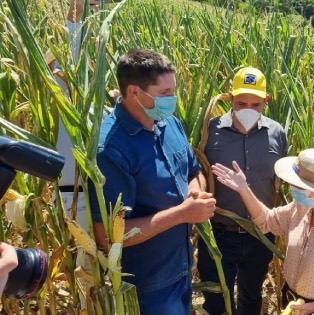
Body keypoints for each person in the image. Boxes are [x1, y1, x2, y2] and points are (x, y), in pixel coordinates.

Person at [88, 49, 216, 314]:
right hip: (148, 283)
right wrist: (182, 214)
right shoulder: (111, 149)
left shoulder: (169, 123)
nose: (173, 99)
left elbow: (193, 171)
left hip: (182, 269)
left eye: (174, 91)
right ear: (134, 92)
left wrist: (195, 193)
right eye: (165, 93)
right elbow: (108, 236)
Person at [211, 148, 314, 315]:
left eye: (299, 186)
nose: (293, 188)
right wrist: (243, 189)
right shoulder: (301, 208)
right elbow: (266, 221)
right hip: (289, 300)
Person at [200, 66, 288, 315]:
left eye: (256, 104)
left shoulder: (277, 133)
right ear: (230, 98)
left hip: (260, 233)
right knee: (216, 300)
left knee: (251, 296)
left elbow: (281, 179)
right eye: (241, 103)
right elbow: (196, 169)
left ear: (266, 101)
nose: (248, 109)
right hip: (219, 234)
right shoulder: (210, 130)